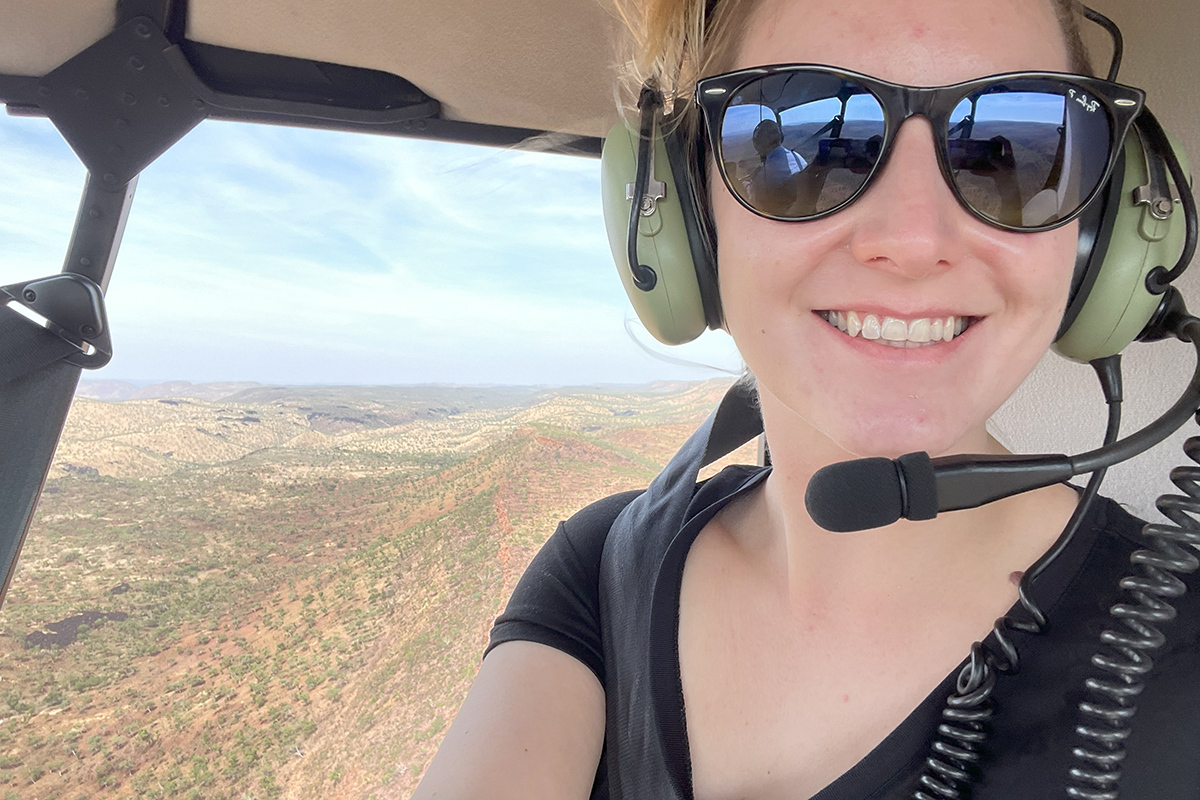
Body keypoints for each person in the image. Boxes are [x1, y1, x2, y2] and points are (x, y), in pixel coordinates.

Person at [412, 0, 1199, 797]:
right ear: (686, 214)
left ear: (1100, 230)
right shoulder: (601, 568)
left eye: (1011, 154)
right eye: (807, 142)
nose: (915, 238)